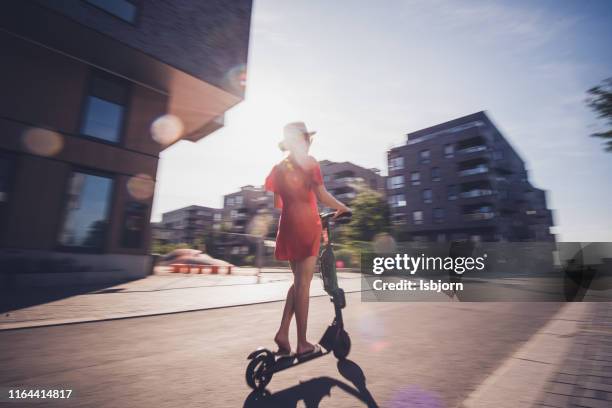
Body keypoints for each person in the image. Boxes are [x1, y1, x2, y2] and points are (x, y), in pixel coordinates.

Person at [264, 121, 350, 359]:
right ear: (303, 140)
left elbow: (277, 204)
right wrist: (342, 207)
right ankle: (302, 343)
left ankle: (283, 333)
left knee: (298, 282)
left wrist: (295, 196)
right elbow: (322, 195)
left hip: (287, 226)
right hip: (306, 225)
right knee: (304, 284)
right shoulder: (310, 163)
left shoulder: (278, 168)